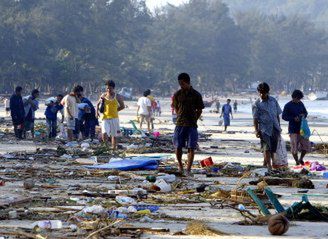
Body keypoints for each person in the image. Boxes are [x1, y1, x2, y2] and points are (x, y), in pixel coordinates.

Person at [172, 73, 204, 176]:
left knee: (191, 147)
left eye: (182, 83)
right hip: (180, 124)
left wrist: (195, 119)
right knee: (178, 146)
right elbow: (176, 108)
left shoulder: (196, 94)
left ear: (187, 82)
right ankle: (180, 166)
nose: (181, 85)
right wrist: (179, 115)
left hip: (191, 124)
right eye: (180, 84)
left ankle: (188, 169)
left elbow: (199, 110)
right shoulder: (177, 94)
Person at [253, 82, 282, 171]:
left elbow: (277, 115)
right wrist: (256, 130)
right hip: (264, 129)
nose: (262, 95)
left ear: (267, 92)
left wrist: (279, 127)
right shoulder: (256, 104)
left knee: (273, 148)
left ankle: (266, 164)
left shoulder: (273, 100)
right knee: (266, 147)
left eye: (264, 93)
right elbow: (255, 118)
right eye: (260, 92)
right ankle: (269, 165)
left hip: (275, 127)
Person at [282, 90, 310, 165]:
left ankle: (301, 159)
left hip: (302, 128)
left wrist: (303, 115)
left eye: (300, 99)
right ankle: (297, 161)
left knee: (305, 146)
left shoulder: (301, 104)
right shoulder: (288, 105)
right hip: (293, 129)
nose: (298, 100)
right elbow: (284, 117)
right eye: (297, 99)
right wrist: (293, 118)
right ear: (293, 97)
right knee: (294, 147)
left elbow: (306, 112)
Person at [96, 80, 124, 150]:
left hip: (114, 118)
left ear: (113, 88)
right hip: (105, 118)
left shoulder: (117, 96)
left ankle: (113, 149)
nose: (108, 90)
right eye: (107, 88)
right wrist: (97, 113)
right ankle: (105, 147)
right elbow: (97, 104)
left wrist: (115, 110)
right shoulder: (103, 95)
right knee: (104, 133)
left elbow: (122, 106)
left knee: (114, 135)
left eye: (110, 88)